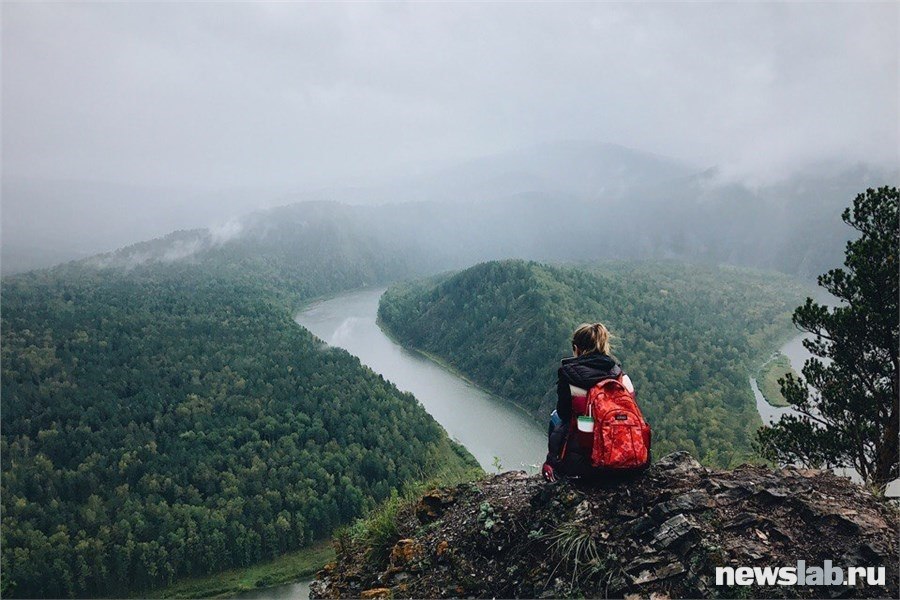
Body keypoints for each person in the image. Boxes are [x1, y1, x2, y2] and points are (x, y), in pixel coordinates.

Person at [541, 322, 635, 482]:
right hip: (625, 458)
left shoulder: (570, 377)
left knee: (556, 416)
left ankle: (555, 464)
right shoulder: (621, 377)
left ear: (576, 348)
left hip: (584, 465)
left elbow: (564, 414)